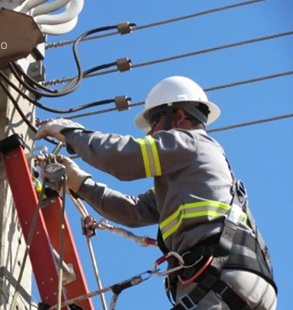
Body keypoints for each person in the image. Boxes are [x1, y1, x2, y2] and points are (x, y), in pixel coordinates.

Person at [35, 76, 277, 309]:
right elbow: (132, 210)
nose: (150, 134)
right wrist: (81, 184)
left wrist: (72, 134)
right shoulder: (191, 180)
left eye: (154, 122)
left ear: (179, 116)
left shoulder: (190, 142)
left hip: (217, 278)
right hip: (242, 280)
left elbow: (122, 157)